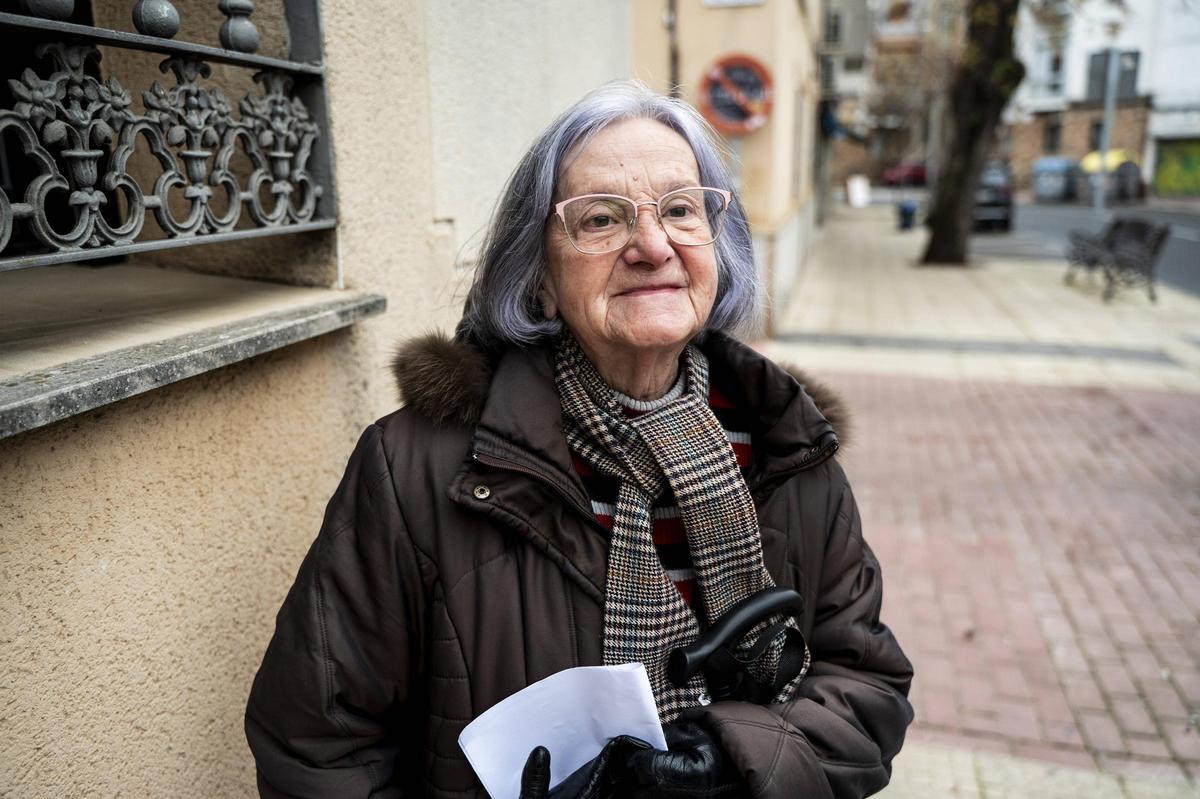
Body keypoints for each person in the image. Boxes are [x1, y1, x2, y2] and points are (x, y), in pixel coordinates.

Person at [245, 80, 913, 799]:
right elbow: (317, 746)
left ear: (717, 250)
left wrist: (736, 759)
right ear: (538, 276)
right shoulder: (414, 470)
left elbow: (866, 685)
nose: (652, 245)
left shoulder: (790, 452)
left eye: (681, 210)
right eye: (601, 219)